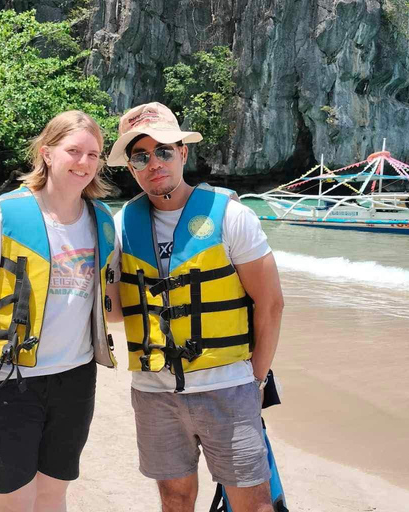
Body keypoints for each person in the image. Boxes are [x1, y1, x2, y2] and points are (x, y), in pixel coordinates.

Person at [105, 102, 285, 512]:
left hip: (227, 387)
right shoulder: (120, 226)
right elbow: (116, 312)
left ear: (183, 153)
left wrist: (254, 381)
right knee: (174, 499)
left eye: (164, 150)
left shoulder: (233, 218)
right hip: (154, 393)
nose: (154, 163)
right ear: (131, 167)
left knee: (253, 502)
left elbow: (271, 304)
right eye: (141, 156)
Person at [0, 110, 117, 512]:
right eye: (73, 151)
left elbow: (113, 306)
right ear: (46, 153)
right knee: (14, 501)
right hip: (8, 381)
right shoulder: (5, 215)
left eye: (94, 155)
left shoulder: (102, 221)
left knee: (53, 495)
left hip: (75, 380)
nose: (84, 163)